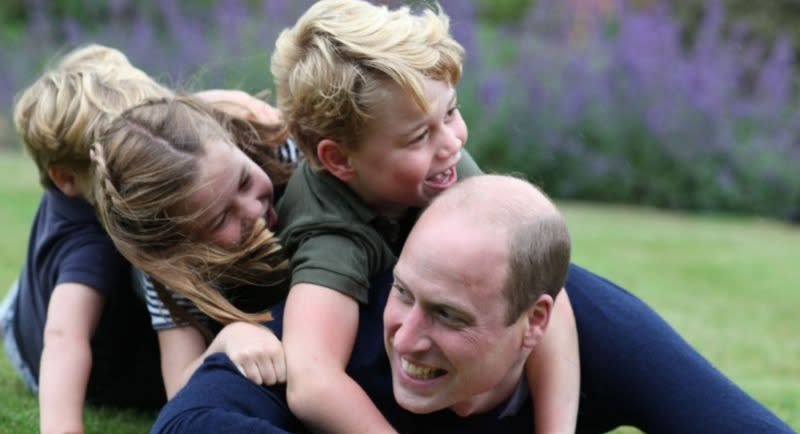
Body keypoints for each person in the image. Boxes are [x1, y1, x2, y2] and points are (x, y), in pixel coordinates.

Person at [148, 175, 795, 434]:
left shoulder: (602, 332)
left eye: (450, 316)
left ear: (534, 323)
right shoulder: (347, 323)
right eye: (405, 293)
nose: (406, 337)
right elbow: (188, 423)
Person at [270, 0, 579, 432]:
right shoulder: (330, 232)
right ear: (339, 159)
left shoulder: (439, 164)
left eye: (450, 112)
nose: (452, 142)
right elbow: (312, 381)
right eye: (419, 136)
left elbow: (547, 288)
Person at [0, 44, 170, 434]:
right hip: (39, 355)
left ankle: (21, 303)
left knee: (35, 289)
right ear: (67, 177)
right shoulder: (91, 246)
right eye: (125, 163)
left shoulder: (74, 182)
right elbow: (63, 340)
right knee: (64, 306)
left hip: (25, 312)